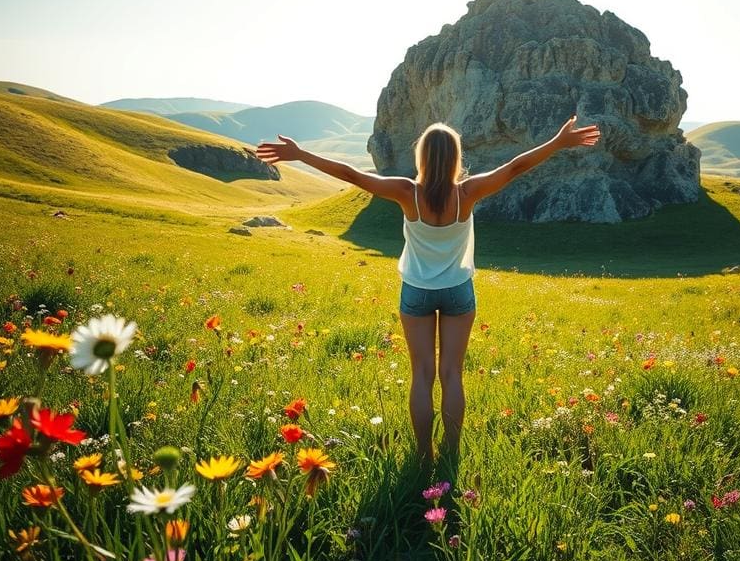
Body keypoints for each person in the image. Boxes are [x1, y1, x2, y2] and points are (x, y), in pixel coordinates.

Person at [255, 116, 600, 465]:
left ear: (422, 157)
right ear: (455, 158)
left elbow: (352, 175)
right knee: (452, 374)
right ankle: (451, 452)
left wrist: (300, 154)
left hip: (416, 293)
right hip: (458, 293)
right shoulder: (468, 193)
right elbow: (514, 167)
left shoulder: (408, 193)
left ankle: (423, 454)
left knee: (422, 375)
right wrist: (558, 142)